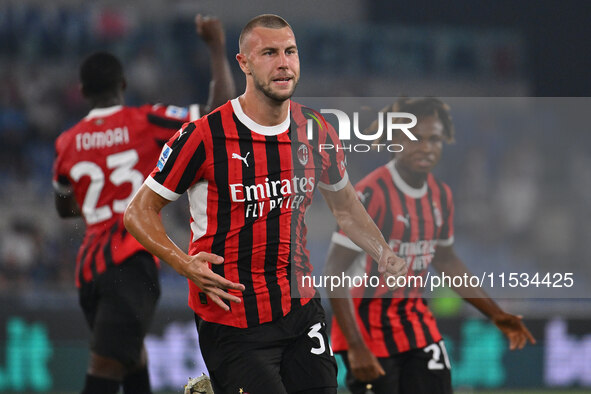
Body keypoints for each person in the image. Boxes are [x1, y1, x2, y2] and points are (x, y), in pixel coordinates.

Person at [123, 14, 407, 394]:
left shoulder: (316, 130)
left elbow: (346, 208)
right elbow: (138, 212)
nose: (283, 62)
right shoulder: (204, 136)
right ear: (244, 63)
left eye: (290, 51)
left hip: (301, 307)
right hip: (234, 318)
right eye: (269, 53)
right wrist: (185, 264)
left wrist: (383, 251)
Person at [52, 15, 235, 394]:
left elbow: (64, 206)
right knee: (105, 368)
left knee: (131, 357)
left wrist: (94, 199)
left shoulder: (66, 142)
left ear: (83, 91)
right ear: (123, 84)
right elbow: (219, 111)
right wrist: (217, 47)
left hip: (88, 270)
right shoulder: (143, 121)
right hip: (130, 261)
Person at [326, 97, 536, 394]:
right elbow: (334, 271)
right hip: (370, 332)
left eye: (434, 139)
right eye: (416, 138)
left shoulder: (441, 195)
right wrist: (355, 346)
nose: (426, 147)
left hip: (417, 326)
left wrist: (496, 313)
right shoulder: (372, 193)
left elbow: (447, 261)